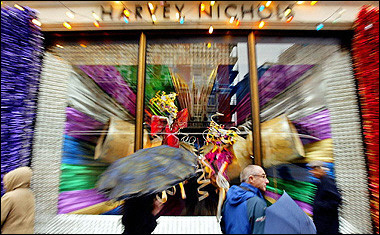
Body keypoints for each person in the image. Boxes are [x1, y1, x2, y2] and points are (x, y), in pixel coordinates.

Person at [220, 165, 269, 234]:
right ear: (251, 179)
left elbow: (223, 228)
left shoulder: (228, 202)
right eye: (263, 176)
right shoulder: (257, 203)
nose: (267, 181)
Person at [308, 160, 342, 234]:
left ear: (320, 169)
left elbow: (335, 201)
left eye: (314, 170)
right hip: (323, 225)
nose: (312, 172)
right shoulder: (322, 181)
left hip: (328, 226)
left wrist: (319, 205)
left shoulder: (327, 181)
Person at [1, 166, 35, 234]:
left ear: (14, 180)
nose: (5, 187)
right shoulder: (30, 194)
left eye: (6, 182)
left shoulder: (9, 197)